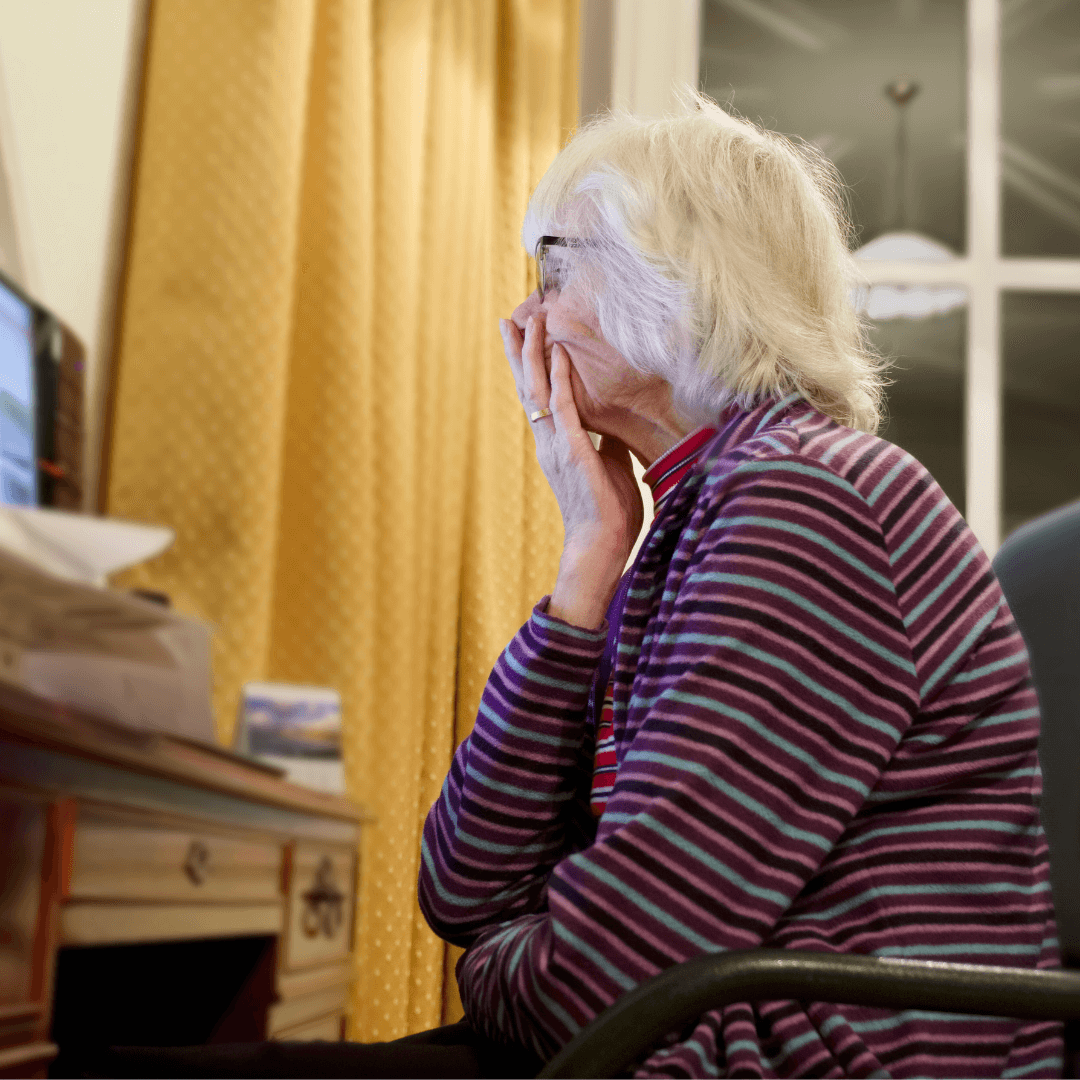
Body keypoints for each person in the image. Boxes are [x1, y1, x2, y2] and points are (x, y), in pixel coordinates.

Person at [83, 96, 1061, 1080]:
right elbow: (461, 886)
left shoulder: (806, 500)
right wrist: (588, 558)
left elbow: (600, 986)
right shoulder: (696, 514)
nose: (521, 320)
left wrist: (506, 957)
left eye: (552, 268)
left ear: (680, 277)